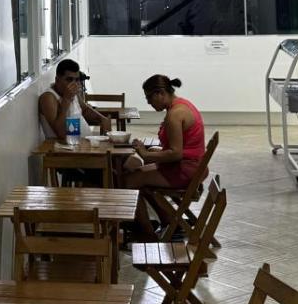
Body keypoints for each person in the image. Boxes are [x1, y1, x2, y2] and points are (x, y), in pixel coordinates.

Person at [121, 75, 205, 227]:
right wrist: (155, 152)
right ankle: (168, 220)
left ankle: (146, 232)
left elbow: (176, 153)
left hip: (185, 170)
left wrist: (146, 154)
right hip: (194, 166)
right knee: (137, 175)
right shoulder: (182, 105)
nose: (148, 102)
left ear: (160, 93)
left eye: (149, 97)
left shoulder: (175, 114)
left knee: (129, 180)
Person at [38, 58, 113, 141]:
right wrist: (66, 100)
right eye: (69, 79)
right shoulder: (48, 98)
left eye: (76, 80)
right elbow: (61, 133)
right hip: (65, 147)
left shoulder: (73, 92)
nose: (74, 84)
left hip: (83, 143)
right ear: (57, 80)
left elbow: (84, 110)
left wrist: (102, 119)